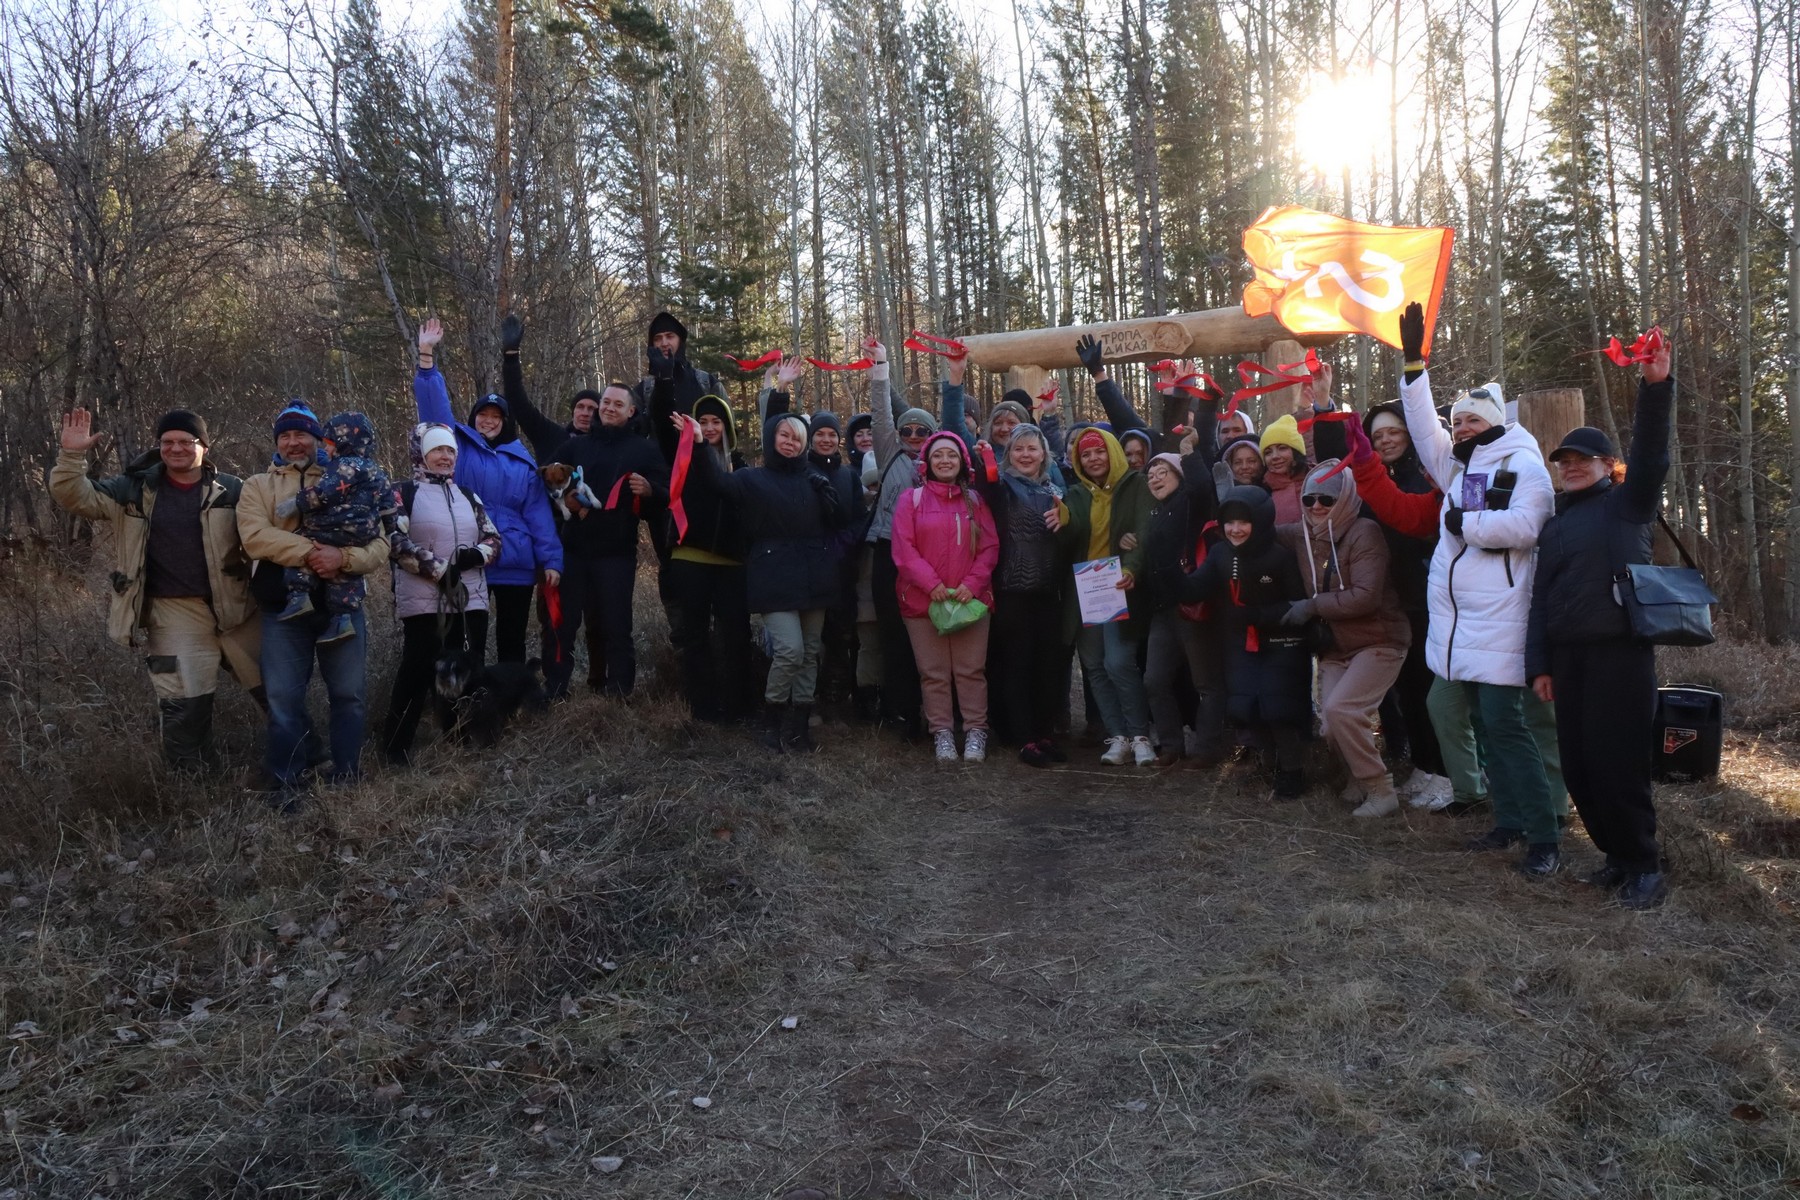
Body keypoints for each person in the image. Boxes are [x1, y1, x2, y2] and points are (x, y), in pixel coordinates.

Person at [1396, 301, 1560, 876]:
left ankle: (1544, 838)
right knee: (1489, 729)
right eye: (1457, 421)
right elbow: (1421, 427)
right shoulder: (1458, 468)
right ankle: (1508, 822)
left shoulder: (1523, 463)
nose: (1460, 428)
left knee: (1508, 732)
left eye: (1470, 420)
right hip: (1459, 624)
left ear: (1495, 420)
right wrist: (1414, 365)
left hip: (1504, 623)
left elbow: (1528, 526)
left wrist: (1467, 525)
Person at [1528, 340, 1675, 909]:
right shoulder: (1555, 526)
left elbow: (1653, 458)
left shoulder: (1627, 504)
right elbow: (1541, 599)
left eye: (1581, 460)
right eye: (1563, 461)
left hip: (1620, 653)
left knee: (1619, 764)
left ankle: (1645, 865)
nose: (1570, 467)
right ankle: (1615, 856)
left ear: (1605, 466)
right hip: (1568, 659)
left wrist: (1656, 386)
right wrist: (1539, 664)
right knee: (1581, 766)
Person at [51, 408, 262, 773]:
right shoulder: (134, 489)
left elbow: (264, 533)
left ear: (204, 446)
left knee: (277, 690)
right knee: (184, 701)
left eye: (186, 441)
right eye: (168, 442)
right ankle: (194, 787)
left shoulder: (232, 490)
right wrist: (71, 456)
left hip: (237, 607)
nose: (176, 448)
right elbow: (75, 496)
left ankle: (300, 765)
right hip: (174, 613)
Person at [1310, 369, 1450, 807]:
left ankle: (1443, 771)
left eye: (1394, 432)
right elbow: (1336, 462)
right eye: (1378, 434)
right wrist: (1325, 407)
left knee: (1430, 691)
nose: (1386, 440)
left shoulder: (1425, 476)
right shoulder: (1368, 480)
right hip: (1384, 601)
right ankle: (1421, 765)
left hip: (1423, 595)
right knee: (1406, 691)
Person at [239, 401, 392, 792]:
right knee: (283, 702)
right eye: (285, 435)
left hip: (342, 605)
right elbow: (255, 538)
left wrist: (343, 557)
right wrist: (312, 553)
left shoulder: (348, 474)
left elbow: (380, 543)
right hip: (283, 611)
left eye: (301, 434)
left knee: (348, 696)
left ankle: (346, 776)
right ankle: (285, 783)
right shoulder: (258, 485)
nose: (293, 442)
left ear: (317, 438)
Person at [683, 412, 843, 751]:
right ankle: (771, 722)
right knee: (790, 650)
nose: (790, 442)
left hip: (816, 577)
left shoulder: (814, 479)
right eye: (784, 435)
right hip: (773, 577)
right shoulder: (751, 479)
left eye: (797, 438)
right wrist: (699, 445)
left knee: (811, 652)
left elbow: (838, 521)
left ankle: (800, 726)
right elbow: (716, 482)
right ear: (772, 438)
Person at [414, 319, 562, 663]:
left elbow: (538, 516)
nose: (489, 420)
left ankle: (509, 707)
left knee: (512, 643)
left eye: (497, 416)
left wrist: (552, 560)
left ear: (506, 422)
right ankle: (469, 702)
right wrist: (426, 357)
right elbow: (435, 411)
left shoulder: (523, 462)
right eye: (484, 414)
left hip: (515, 563)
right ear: (474, 418)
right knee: (468, 642)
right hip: (471, 559)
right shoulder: (459, 447)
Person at [1275, 460, 1412, 816]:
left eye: (1327, 498)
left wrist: (1312, 606)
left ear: (1346, 497)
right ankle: (1355, 778)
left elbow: (1366, 595)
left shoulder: (1365, 532)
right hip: (1336, 646)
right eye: (1309, 499)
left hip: (1379, 640)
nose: (1317, 506)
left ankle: (1381, 790)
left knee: (1343, 710)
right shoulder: (1302, 534)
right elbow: (1255, 529)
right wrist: (1227, 497)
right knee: (1330, 725)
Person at [380, 423, 504, 762]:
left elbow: (493, 538)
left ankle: (461, 740)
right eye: (437, 450)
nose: (445, 456)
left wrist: (477, 554)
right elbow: (394, 541)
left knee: (467, 672)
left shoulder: (467, 496)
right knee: (417, 674)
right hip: (424, 603)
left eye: (450, 451)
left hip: (471, 599)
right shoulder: (402, 493)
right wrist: (439, 570)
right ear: (422, 454)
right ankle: (395, 749)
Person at [1177, 486, 1312, 796]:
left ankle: (1293, 772)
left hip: (1280, 642)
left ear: (1261, 520)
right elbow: (1195, 589)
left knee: (1278, 708)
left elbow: (1298, 605)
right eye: (1229, 522)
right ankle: (1268, 765)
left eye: (1244, 522)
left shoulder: (1281, 556)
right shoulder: (1221, 553)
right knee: (1247, 707)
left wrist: (1258, 614)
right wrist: (1170, 576)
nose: (1235, 529)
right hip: (1240, 642)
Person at [863, 337, 966, 736]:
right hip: (889, 552)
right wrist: (881, 367)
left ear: (934, 435)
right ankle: (900, 712)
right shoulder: (891, 454)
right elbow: (880, 416)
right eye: (907, 429)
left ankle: (939, 714)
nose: (912, 434)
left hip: (933, 559)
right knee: (893, 634)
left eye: (922, 430)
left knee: (932, 635)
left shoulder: (942, 464)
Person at [892, 432, 1000, 762]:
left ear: (962, 462)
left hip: (970, 599)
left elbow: (990, 547)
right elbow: (903, 548)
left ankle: (975, 731)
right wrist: (931, 584)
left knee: (970, 670)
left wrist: (972, 583)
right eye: (938, 455)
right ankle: (941, 733)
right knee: (934, 671)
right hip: (924, 600)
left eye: (951, 455)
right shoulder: (911, 499)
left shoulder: (976, 502)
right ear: (927, 462)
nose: (945, 461)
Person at [1057, 425, 1154, 766]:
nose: (1094, 458)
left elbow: (1143, 532)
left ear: (1111, 452)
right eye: (1086, 454)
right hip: (1086, 590)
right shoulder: (1074, 494)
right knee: (1095, 666)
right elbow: (1066, 540)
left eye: (1099, 451)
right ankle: (1117, 737)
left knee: (1118, 662)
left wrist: (1131, 569)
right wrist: (1064, 521)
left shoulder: (1136, 486)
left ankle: (1141, 735)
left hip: (1120, 588)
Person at [654, 394, 752, 724]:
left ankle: (738, 706)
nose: (709, 428)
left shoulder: (741, 467)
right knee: (695, 637)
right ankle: (703, 708)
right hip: (690, 557)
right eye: (703, 421)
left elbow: (726, 490)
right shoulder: (681, 458)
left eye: (716, 422)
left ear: (727, 428)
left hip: (732, 564)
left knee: (735, 637)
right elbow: (659, 413)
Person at [976, 422, 1069, 766]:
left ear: (1044, 453)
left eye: (1032, 448)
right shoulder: (1000, 487)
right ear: (1008, 454)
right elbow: (982, 487)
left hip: (1048, 591)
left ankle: (1045, 733)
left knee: (1048, 666)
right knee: (1017, 665)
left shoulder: (1056, 490)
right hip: (1012, 590)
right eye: (1018, 449)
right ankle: (1023, 737)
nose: (1026, 454)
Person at [272, 412, 398, 645]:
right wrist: (393, 527)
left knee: (305, 540)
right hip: (362, 534)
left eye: (329, 445)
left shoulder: (341, 466)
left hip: (333, 525)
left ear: (342, 443)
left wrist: (295, 504)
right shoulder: (377, 470)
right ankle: (342, 618)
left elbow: (324, 493)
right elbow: (388, 505)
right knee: (346, 576)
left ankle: (299, 594)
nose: (326, 450)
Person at [1139, 450, 1225, 767]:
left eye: (1162, 471)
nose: (1155, 477)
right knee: (1154, 681)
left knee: (1207, 683)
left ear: (1179, 475)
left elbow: (1202, 486)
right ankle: (1172, 744)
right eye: (1150, 474)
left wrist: (1190, 455)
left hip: (1193, 605)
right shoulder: (1156, 513)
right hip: (1164, 610)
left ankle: (1207, 748)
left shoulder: (1192, 504)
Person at [1258, 414, 1309, 523]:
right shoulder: (1262, 493)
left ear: (1296, 452)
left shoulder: (1316, 481)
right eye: (1268, 452)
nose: (1275, 456)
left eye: (1282, 448)